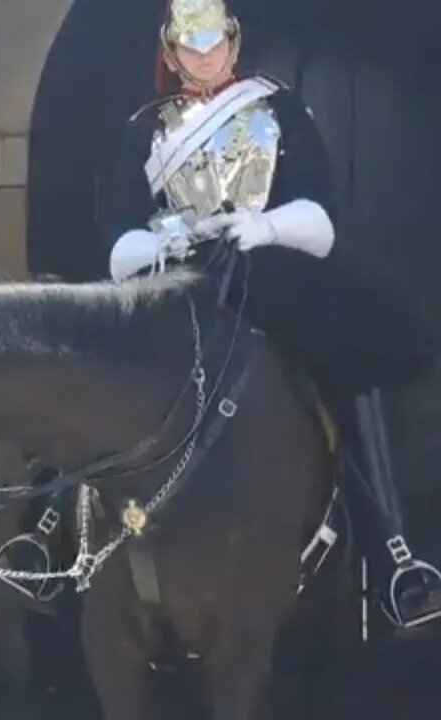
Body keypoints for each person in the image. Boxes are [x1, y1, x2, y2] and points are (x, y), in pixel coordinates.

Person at [87, 0, 440, 631]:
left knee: (332, 383)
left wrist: (265, 224)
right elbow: (116, 242)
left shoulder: (280, 111)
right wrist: (165, 244)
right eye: (190, 50)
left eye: (213, 46)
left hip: (266, 279)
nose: (203, 59)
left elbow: (322, 217)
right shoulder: (143, 129)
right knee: (89, 381)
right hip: (174, 288)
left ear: (232, 43)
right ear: (171, 52)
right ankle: (58, 532)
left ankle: (394, 556)